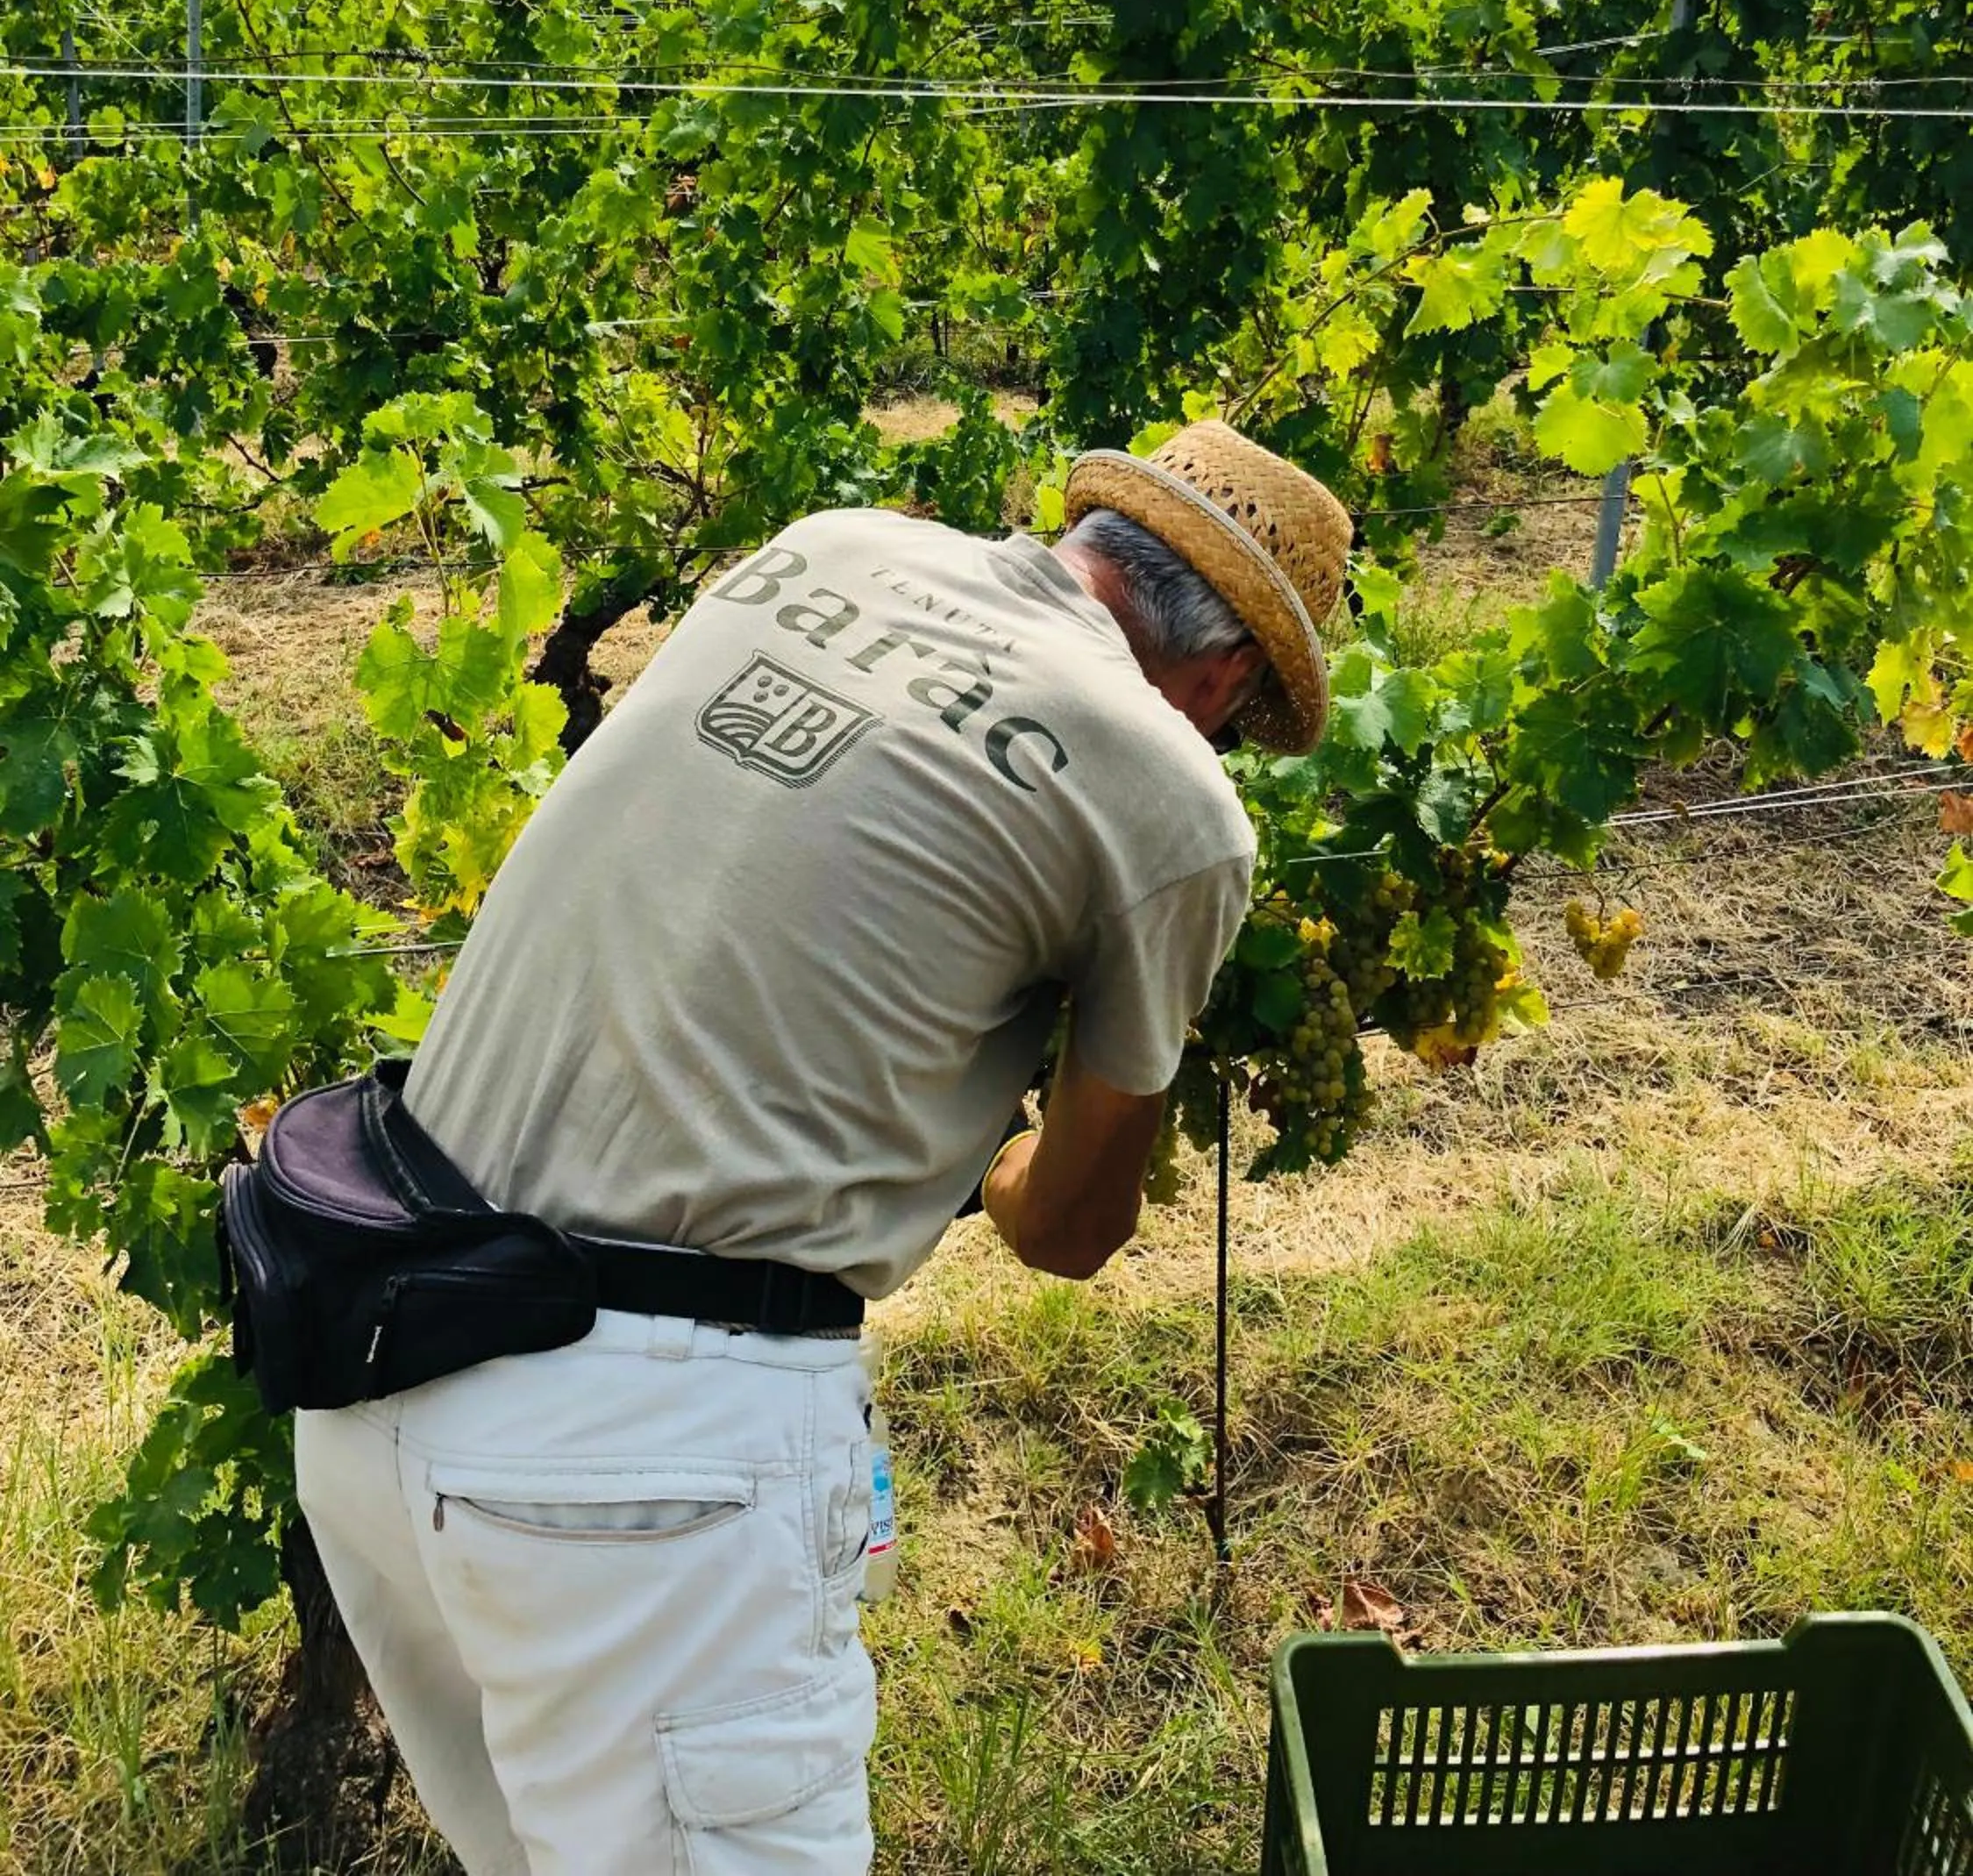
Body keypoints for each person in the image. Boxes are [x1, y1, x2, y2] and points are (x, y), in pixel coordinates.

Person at [294, 418, 1351, 1876]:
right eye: (1232, 718)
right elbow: (1070, 1229)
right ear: (1225, 674)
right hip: (634, 1470)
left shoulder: (831, 546)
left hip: (370, 1345)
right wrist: (984, 1162)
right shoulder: (1170, 798)